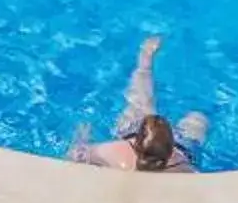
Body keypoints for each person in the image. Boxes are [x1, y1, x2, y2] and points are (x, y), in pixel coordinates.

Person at [70, 36, 208, 173]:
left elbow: (77, 153)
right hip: (183, 147)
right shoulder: (183, 168)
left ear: (134, 143)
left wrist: (82, 135)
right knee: (198, 118)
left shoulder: (115, 152)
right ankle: (145, 63)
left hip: (133, 134)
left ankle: (144, 63)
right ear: (171, 149)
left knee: (141, 101)